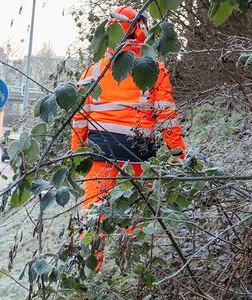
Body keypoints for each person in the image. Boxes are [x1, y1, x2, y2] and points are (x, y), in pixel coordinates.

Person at [71, 5, 187, 210]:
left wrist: (76, 154)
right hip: (139, 154)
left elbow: (79, 118)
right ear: (139, 30)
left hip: (101, 153)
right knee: (136, 216)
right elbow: (166, 115)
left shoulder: (94, 69)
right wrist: (178, 154)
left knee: (93, 218)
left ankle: (91, 241)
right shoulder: (153, 69)